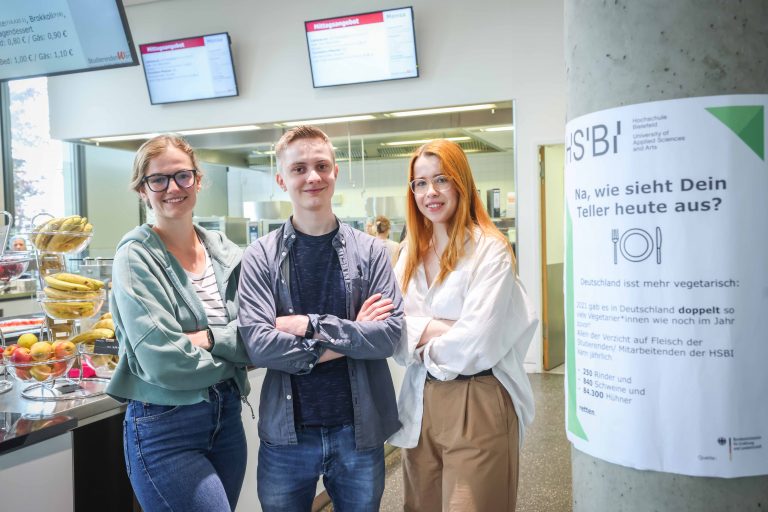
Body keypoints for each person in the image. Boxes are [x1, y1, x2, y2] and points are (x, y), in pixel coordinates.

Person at [238, 125, 403, 512]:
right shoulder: (260, 256)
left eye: (321, 166)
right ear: (282, 179)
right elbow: (260, 345)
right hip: (287, 436)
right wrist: (353, 335)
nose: (312, 177)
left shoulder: (371, 252)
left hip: (358, 432)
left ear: (335, 172)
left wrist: (310, 324)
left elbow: (389, 336)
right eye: (299, 169)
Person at [388, 139, 538, 511]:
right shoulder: (409, 253)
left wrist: (419, 334)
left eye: (441, 179)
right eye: (420, 183)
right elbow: (392, 333)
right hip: (421, 399)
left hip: (479, 396)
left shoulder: (490, 249)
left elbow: (476, 345)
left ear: (461, 183)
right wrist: (444, 328)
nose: (430, 192)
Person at [107, 134, 253, 512]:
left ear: (198, 180)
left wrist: (204, 338)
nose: (173, 188)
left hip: (227, 417)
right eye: (158, 180)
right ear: (143, 190)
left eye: (182, 176)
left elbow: (257, 332)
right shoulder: (135, 257)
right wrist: (234, 353)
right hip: (165, 425)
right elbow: (165, 361)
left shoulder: (224, 251)